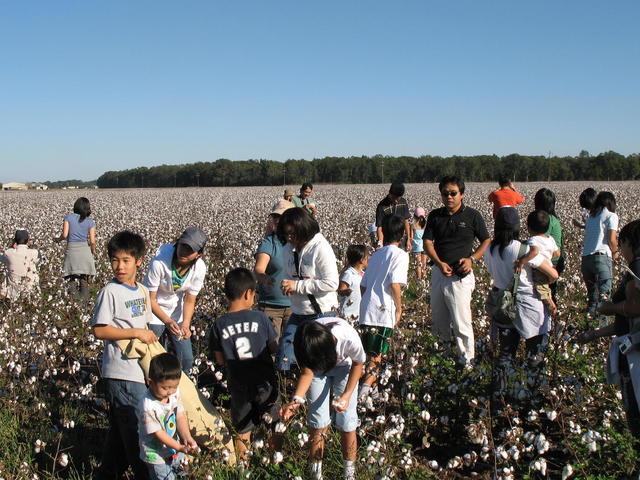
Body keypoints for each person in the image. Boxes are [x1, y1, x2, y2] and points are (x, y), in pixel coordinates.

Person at [91, 231, 157, 480]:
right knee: (136, 432)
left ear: (139, 261)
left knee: (122, 432)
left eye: (126, 260)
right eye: (115, 260)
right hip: (119, 371)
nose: (120, 266)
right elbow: (99, 329)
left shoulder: (141, 290)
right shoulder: (110, 291)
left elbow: (146, 328)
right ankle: (145, 475)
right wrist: (135, 333)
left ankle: (107, 474)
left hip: (139, 370)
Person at [280, 318, 365, 480]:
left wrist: (346, 396)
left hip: (345, 367)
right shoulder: (307, 343)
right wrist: (295, 401)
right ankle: (315, 474)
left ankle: (349, 474)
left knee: (347, 421)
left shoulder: (348, 338)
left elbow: (358, 364)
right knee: (317, 422)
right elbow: (307, 373)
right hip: (317, 370)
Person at [576, 220, 640, 436]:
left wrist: (609, 307)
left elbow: (633, 308)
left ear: (629, 243)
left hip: (635, 355)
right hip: (631, 345)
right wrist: (594, 334)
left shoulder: (637, 266)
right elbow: (627, 321)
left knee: (636, 411)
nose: (620, 250)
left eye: (621, 244)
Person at [209, 268, 281, 460]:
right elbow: (273, 347)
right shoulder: (261, 318)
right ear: (249, 293)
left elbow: (219, 359)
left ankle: (243, 467)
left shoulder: (219, 324)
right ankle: (275, 461)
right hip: (265, 382)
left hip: (239, 385)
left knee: (243, 430)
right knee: (275, 424)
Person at [424, 175, 490, 365]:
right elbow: (428, 242)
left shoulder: (473, 216)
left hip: (460, 276)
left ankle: (467, 360)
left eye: (453, 193)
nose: (449, 197)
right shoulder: (435, 216)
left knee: (462, 321)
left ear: (462, 194)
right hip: (439, 273)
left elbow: (486, 240)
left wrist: (472, 259)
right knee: (438, 319)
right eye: (445, 194)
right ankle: (442, 358)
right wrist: (438, 262)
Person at [484, 208, 559, 371]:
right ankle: (533, 390)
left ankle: (501, 391)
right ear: (517, 227)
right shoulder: (524, 250)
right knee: (535, 355)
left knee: (505, 356)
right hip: (528, 306)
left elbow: (493, 272)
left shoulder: (489, 250)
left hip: (503, 306)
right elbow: (553, 273)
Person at [276, 207, 339, 370]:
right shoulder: (287, 249)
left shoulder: (320, 247)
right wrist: (287, 284)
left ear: (303, 229)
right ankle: (288, 390)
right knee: (285, 357)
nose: (289, 238)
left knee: (317, 363)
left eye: (292, 233)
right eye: (286, 234)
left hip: (322, 313)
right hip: (298, 312)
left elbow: (332, 282)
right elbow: (290, 274)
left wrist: (297, 286)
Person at [144, 227, 207, 375]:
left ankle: (182, 388)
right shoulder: (159, 262)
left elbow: (190, 300)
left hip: (176, 310)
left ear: (199, 254)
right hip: (154, 308)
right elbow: (150, 298)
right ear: (177, 243)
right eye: (182, 246)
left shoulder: (199, 269)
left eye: (189, 250)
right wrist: (166, 321)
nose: (183, 252)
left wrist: (185, 324)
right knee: (156, 355)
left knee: (186, 359)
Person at [358, 215, 409, 399]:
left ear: (383, 233)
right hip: (382, 311)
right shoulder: (401, 255)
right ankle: (363, 393)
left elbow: (362, 285)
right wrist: (399, 308)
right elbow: (395, 284)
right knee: (377, 354)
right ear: (403, 234)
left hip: (367, 310)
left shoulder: (376, 254)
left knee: (366, 353)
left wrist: (367, 302)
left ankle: (368, 388)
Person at [138, 353, 197, 480]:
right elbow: (158, 433)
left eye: (174, 387)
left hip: (174, 449)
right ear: (150, 383)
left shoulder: (173, 394)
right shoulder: (147, 405)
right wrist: (180, 447)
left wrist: (186, 437)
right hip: (156, 456)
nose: (170, 391)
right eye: (165, 388)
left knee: (185, 473)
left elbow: (179, 416)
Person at [254, 200, 295, 340]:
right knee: (272, 349)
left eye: (281, 217)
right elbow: (259, 268)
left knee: (293, 349)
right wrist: (264, 277)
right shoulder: (268, 243)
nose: (278, 220)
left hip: (295, 305)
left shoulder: (298, 243)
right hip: (270, 307)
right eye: (275, 217)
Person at [515, 210, 561, 316]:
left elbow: (534, 252)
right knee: (545, 290)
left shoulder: (533, 240)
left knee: (543, 293)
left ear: (529, 228)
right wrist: (548, 256)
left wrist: (522, 261)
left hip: (539, 270)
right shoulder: (550, 239)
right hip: (549, 266)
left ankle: (554, 311)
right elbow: (557, 253)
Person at [581, 191, 619, 315]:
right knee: (604, 296)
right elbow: (612, 239)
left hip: (586, 260)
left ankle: (590, 324)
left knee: (592, 296)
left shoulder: (591, 217)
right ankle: (602, 326)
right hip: (601, 258)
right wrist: (615, 252)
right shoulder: (611, 216)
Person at [56, 197, 96, 300]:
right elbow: (92, 241)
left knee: (71, 278)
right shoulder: (90, 222)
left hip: (72, 251)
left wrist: (57, 240)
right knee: (84, 279)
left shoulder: (68, 218)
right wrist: (93, 251)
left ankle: (75, 303)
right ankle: (84, 305)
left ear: (76, 206)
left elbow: (64, 235)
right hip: (85, 251)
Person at [0, 229, 39, 300]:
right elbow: (40, 260)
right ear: (27, 241)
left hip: (13, 293)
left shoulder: (8, 253)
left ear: (15, 241)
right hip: (30, 292)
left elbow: (2, 258)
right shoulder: (35, 253)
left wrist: (12, 245)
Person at [374, 182, 411, 250]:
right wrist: (380, 243)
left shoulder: (403, 202)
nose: (397, 201)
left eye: (399, 198)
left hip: (401, 240)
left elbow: (406, 221)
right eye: (395, 198)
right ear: (390, 193)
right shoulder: (382, 206)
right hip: (387, 241)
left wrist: (408, 239)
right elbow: (380, 227)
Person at [337, 245, 368, 323]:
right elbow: (340, 291)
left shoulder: (364, 274)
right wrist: (346, 292)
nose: (368, 259)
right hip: (348, 315)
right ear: (361, 260)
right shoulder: (349, 274)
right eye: (367, 257)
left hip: (359, 315)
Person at [411, 207, 428, 280]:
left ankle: (419, 279)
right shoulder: (425, 225)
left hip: (416, 247)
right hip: (424, 246)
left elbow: (411, 238)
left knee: (418, 264)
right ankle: (423, 278)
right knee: (424, 263)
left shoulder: (413, 225)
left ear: (414, 215)